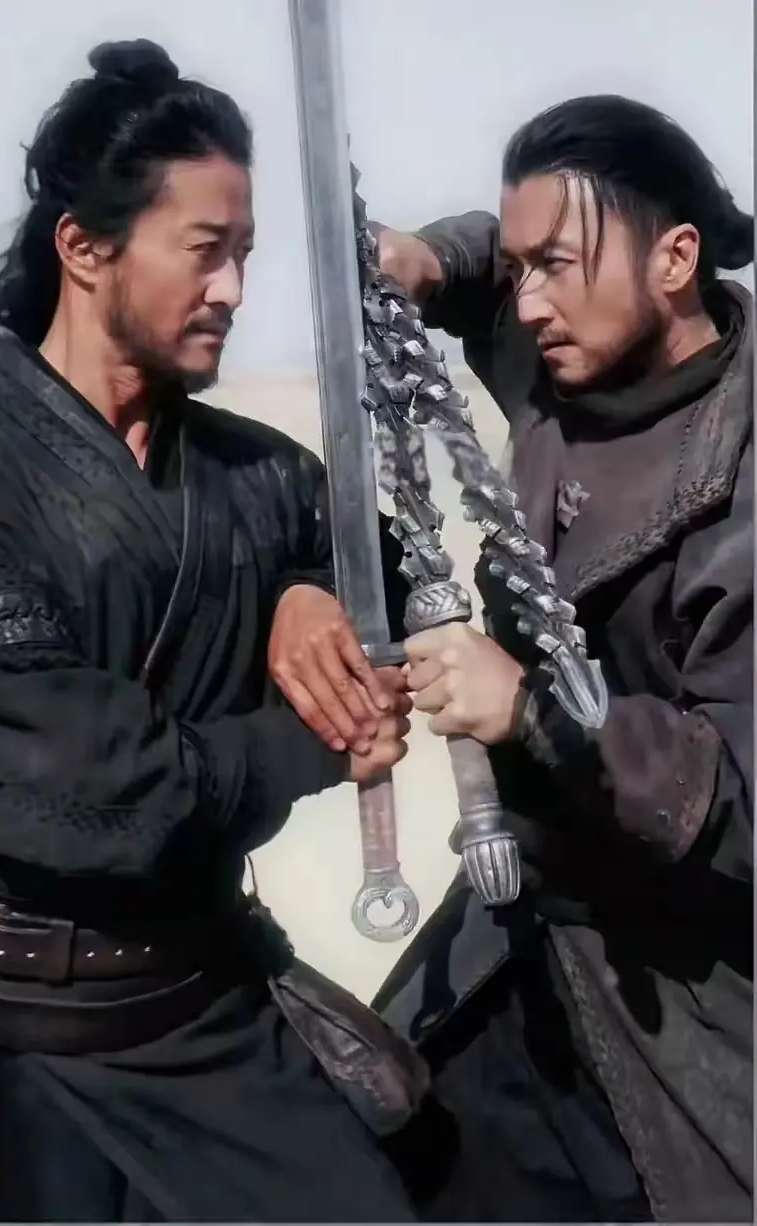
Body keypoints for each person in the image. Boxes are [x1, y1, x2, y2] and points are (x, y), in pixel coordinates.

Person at [0, 39, 422, 1223]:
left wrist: (309, 587)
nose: (235, 289)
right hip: (33, 1044)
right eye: (206, 250)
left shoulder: (256, 476)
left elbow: (385, 574)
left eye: (246, 253)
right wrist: (320, 737)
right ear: (85, 248)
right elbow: (101, 786)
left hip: (220, 1017)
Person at [363, 95, 754, 1223]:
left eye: (557, 267)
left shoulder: (741, 481)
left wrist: (533, 711)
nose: (527, 301)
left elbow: (743, 805)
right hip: (518, 925)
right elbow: (499, 258)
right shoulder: (571, 342)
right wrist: (428, 259)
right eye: (522, 266)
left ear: (675, 259)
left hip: (676, 990)